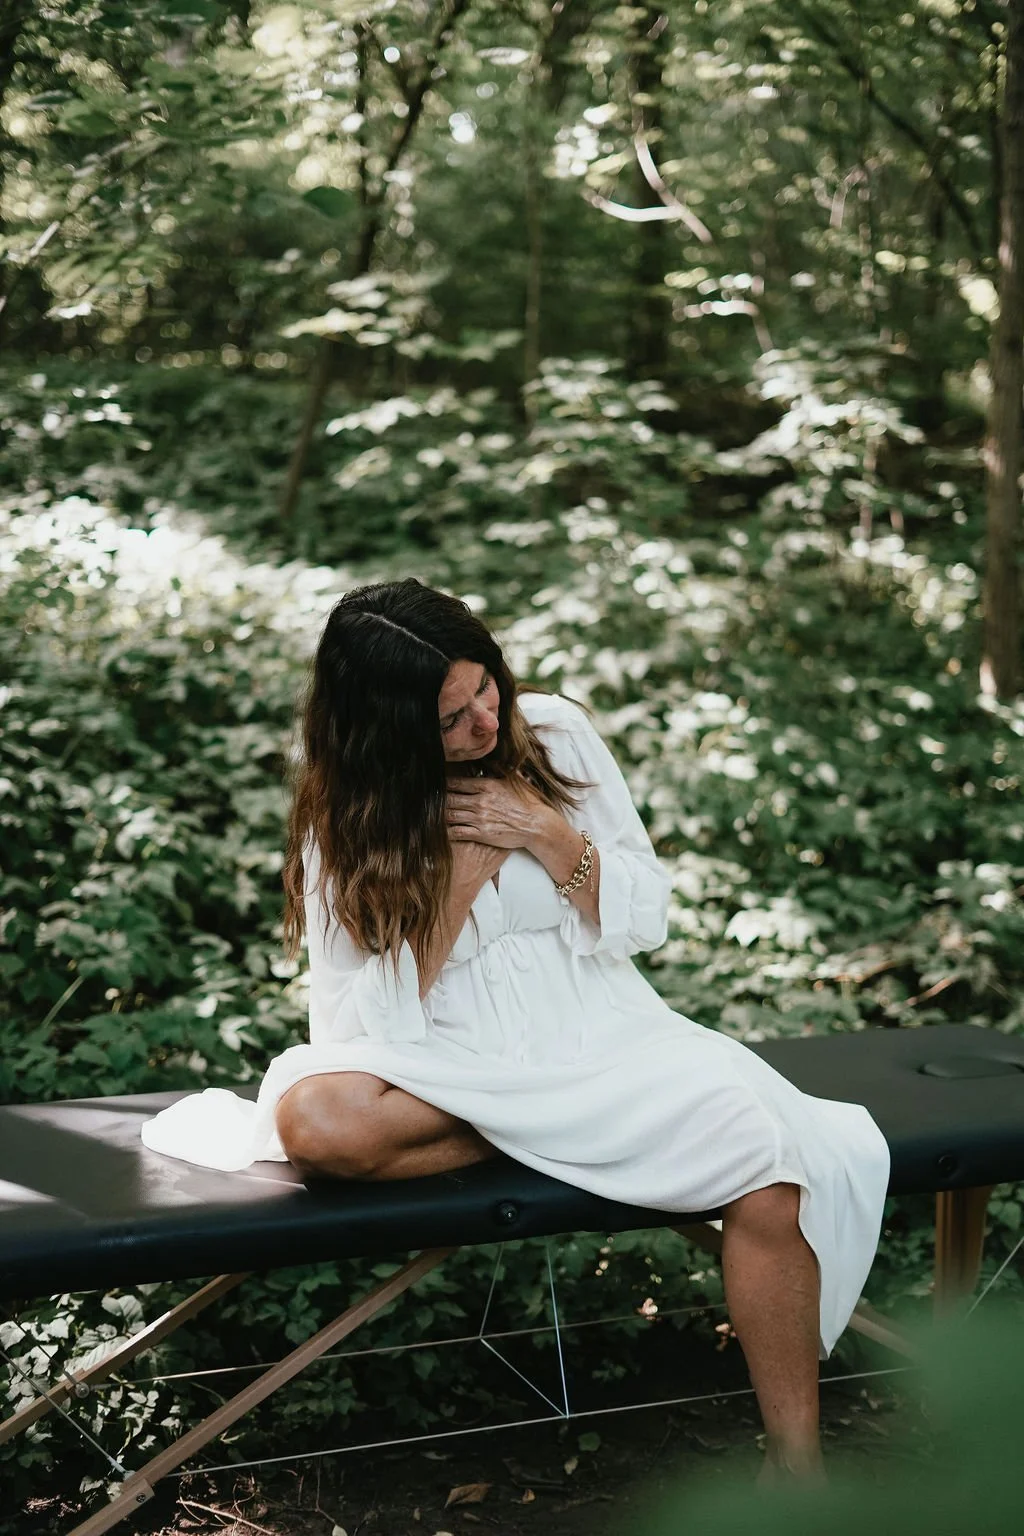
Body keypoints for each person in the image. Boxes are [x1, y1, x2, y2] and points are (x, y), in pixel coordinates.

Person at [141, 576, 890, 1482]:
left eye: (484, 688)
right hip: (445, 1064)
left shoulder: (557, 737)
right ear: (385, 729)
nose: (483, 723)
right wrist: (459, 875)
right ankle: (551, 1136)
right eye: (450, 718)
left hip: (601, 1043)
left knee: (775, 1164)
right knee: (319, 1124)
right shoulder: (345, 813)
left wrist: (548, 838)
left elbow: (646, 914)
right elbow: (368, 1025)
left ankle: (797, 1469)